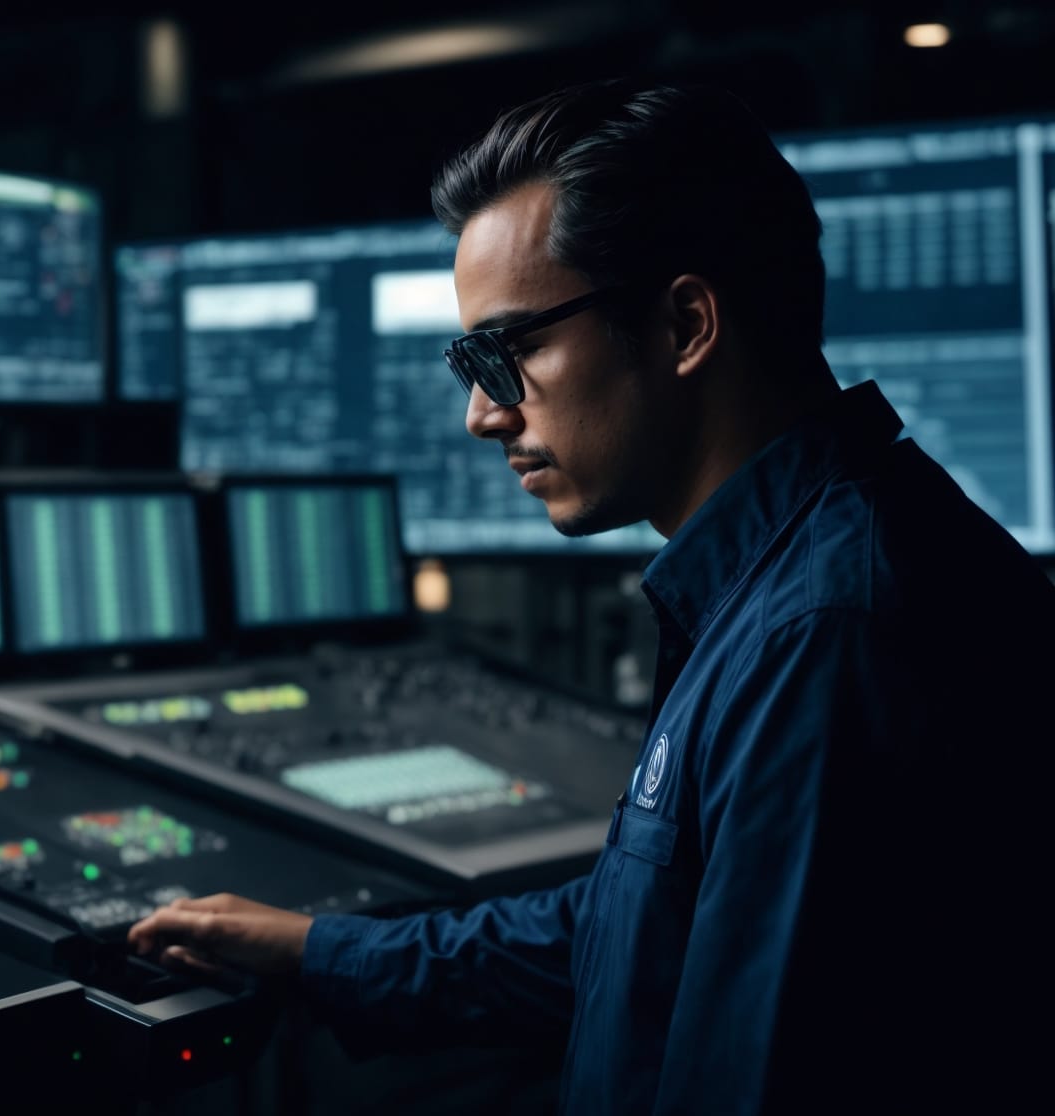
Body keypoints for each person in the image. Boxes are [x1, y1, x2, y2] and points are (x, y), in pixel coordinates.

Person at [128, 79, 1053, 1112]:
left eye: (507, 351)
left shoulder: (827, 634)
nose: (481, 415)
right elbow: (644, 930)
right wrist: (326, 953)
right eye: (464, 363)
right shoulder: (797, 572)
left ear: (684, 324)